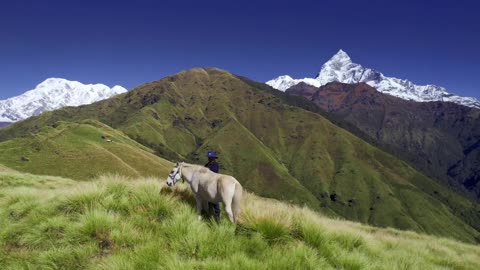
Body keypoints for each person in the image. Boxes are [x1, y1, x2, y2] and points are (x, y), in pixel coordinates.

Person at [205, 150, 221, 220]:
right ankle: (209, 216)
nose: (209, 158)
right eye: (209, 157)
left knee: (214, 200)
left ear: (214, 158)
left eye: (211, 157)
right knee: (208, 200)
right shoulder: (206, 165)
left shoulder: (215, 165)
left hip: (213, 184)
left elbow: (214, 173)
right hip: (206, 184)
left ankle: (217, 216)